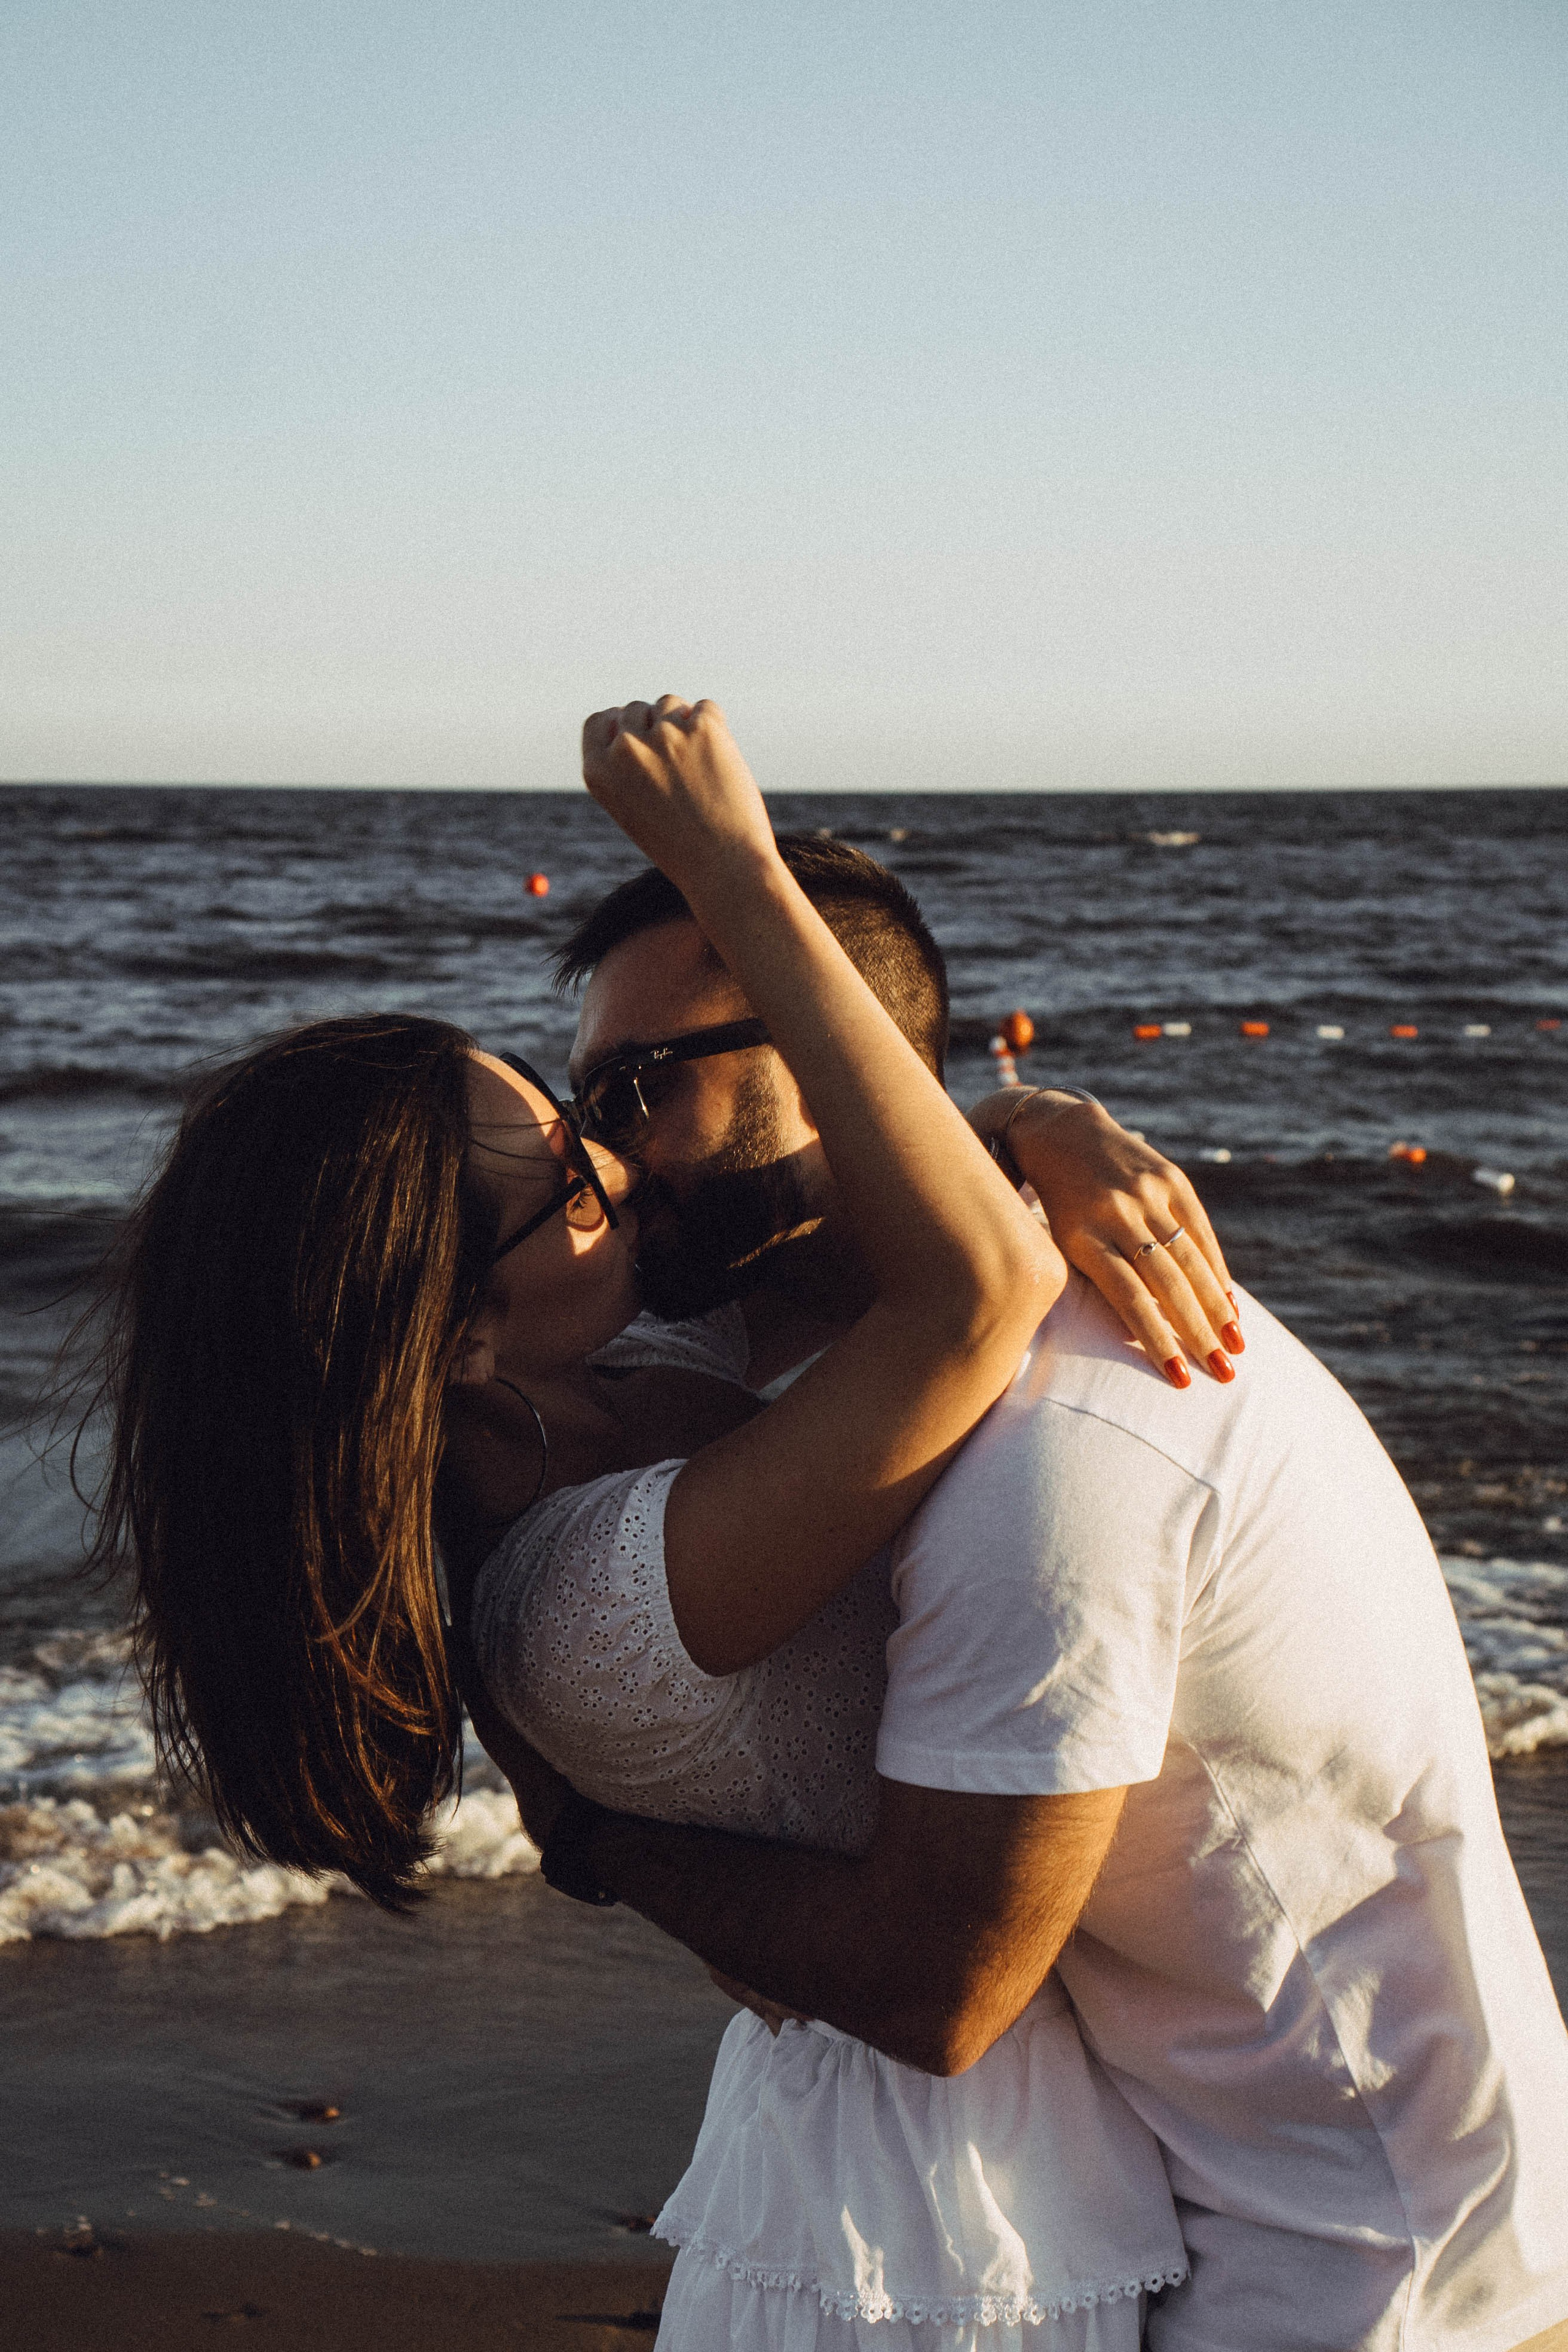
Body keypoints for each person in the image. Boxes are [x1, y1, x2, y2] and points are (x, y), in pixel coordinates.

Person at [89, 696, 1229, 2348]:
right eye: (569, 1175)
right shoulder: (577, 1597)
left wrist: (1035, 1121)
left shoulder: (618, 1372)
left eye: (593, 1126)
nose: (620, 1175)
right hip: (921, 2220)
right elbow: (978, 1289)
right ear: (457, 1341)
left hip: (987, 2139)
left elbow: (842, 1202)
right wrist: (728, 864)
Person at [469, 703, 1568, 2352]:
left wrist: (597, 1845)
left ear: (827, 1049)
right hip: (1226, 2210)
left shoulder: (1055, 1448)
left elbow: (939, 1986)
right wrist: (1024, 1119)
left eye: (634, 1093)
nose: (607, 1165)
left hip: (1367, 2271)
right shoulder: (845, 1348)